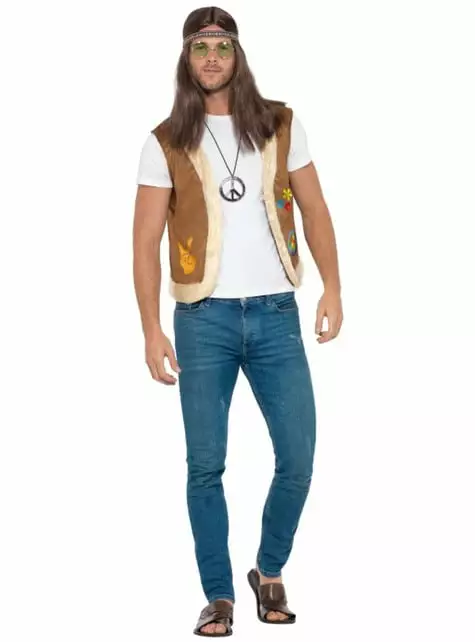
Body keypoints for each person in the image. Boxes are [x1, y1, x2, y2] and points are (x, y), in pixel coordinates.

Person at [133, 6, 343, 637]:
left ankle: (268, 569)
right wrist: (151, 328)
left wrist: (332, 287)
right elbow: (144, 242)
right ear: (186, 58)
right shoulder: (165, 141)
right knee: (206, 465)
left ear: (237, 54)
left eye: (222, 46)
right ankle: (219, 595)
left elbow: (314, 208)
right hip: (203, 320)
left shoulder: (280, 124)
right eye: (200, 47)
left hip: (277, 315)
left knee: (298, 457)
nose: (212, 57)